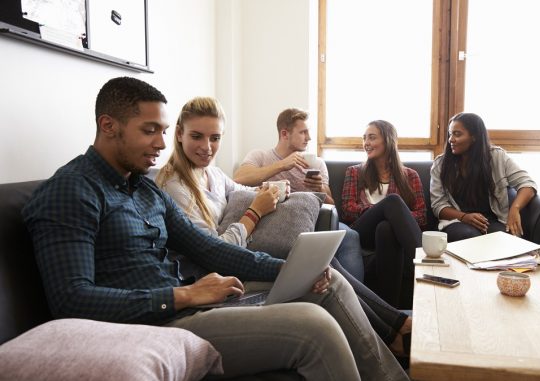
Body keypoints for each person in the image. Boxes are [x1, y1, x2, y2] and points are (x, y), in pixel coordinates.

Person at [21, 77, 408, 380]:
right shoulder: (71, 192)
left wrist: (290, 270)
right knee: (314, 326)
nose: (160, 143)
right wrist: (182, 296)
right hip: (159, 322)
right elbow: (71, 301)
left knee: (329, 283)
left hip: (190, 304)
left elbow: (211, 250)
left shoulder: (142, 190)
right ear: (108, 126)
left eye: (163, 130)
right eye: (149, 130)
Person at [157, 96, 412, 358]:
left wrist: (273, 191)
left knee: (327, 267)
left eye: (215, 138)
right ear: (179, 134)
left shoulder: (212, 174)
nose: (207, 147)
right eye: (197, 136)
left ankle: (396, 327)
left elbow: (245, 190)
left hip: (240, 260)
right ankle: (395, 333)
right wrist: (255, 211)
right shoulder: (176, 187)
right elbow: (214, 253)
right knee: (326, 278)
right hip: (219, 278)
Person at [234, 108, 365, 281]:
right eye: (303, 132)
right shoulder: (260, 156)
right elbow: (239, 178)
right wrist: (282, 165)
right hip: (273, 222)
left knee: (349, 235)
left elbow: (331, 206)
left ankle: (351, 299)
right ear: (284, 133)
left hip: (314, 221)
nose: (309, 138)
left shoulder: (316, 163)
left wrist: (320, 189)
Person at [341, 120, 426, 309]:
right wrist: (381, 211)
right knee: (393, 202)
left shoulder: (410, 176)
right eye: (364, 138)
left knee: (386, 228)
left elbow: (421, 216)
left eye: (372, 137)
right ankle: (427, 264)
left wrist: (391, 218)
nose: (366, 143)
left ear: (388, 141)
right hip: (362, 232)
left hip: (388, 236)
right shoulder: (354, 172)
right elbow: (347, 210)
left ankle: (392, 317)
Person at [430, 112, 537, 242]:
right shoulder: (440, 164)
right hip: (457, 221)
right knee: (469, 237)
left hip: (492, 221)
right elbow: (438, 206)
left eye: (457, 134)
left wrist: (515, 208)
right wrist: (464, 217)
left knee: (505, 240)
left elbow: (527, 184)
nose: (451, 139)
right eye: (450, 134)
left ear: (474, 137)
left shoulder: (497, 157)